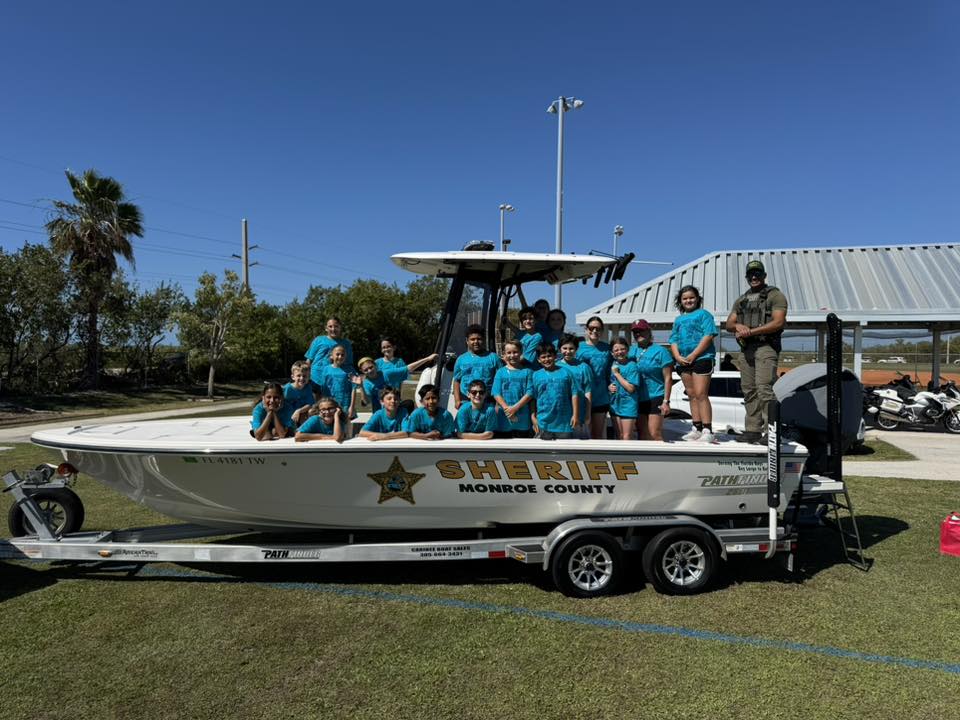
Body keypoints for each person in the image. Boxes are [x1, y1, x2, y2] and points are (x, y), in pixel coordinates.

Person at [725, 259, 788, 443]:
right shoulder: (742, 300)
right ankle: (752, 429)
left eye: (758, 274)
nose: (754, 277)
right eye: (751, 274)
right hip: (746, 350)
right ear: (746, 277)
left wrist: (750, 331)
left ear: (764, 275)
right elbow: (729, 323)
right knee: (749, 390)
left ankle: (772, 431)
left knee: (764, 388)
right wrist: (738, 326)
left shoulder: (774, 295)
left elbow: (778, 322)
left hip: (765, 347)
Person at [669, 286, 718, 443]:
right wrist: (677, 356)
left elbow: (708, 335)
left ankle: (707, 429)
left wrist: (693, 355)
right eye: (685, 298)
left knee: (701, 393)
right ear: (680, 302)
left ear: (697, 299)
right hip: (683, 360)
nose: (688, 300)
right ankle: (696, 428)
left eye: (691, 297)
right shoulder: (678, 320)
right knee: (691, 394)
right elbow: (673, 340)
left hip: (702, 358)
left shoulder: (704, 315)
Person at [630, 320, 674, 441]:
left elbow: (668, 378)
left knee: (654, 433)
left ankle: (660, 459)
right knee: (642, 433)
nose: (638, 334)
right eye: (635, 332)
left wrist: (666, 401)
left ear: (649, 331)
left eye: (641, 330)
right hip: (637, 398)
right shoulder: (630, 350)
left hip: (656, 396)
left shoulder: (661, 351)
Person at [531, 343, 579, 440]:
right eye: (543, 357)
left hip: (564, 422)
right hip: (543, 422)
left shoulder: (566, 372)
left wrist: (575, 415)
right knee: (544, 452)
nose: (547, 359)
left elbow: (574, 394)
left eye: (549, 356)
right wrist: (533, 417)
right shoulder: (535, 375)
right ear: (538, 359)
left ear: (555, 356)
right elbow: (532, 398)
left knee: (564, 452)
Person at [576, 316, 613, 439]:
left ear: (602, 330)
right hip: (582, 396)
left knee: (597, 435)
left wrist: (611, 385)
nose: (595, 331)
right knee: (581, 435)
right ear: (586, 329)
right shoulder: (578, 347)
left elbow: (610, 371)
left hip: (601, 396)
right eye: (591, 328)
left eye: (598, 328)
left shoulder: (607, 349)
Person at [491, 340, 535, 439]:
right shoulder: (500, 372)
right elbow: (496, 393)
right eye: (509, 353)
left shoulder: (528, 372)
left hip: (523, 419)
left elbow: (530, 392)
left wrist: (515, 408)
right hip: (503, 418)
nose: (512, 355)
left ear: (521, 352)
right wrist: (508, 409)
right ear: (504, 354)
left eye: (515, 352)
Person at [452, 324, 502, 409]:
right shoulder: (461, 359)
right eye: (472, 339)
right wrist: (457, 400)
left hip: (488, 401)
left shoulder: (494, 357)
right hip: (466, 401)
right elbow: (457, 381)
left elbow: (500, 381)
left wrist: (498, 403)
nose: (476, 342)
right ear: (467, 341)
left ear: (484, 340)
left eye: (479, 339)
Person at [313, 345, 359, 437]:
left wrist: (352, 406)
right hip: (330, 405)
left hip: (345, 404)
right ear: (331, 356)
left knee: (346, 429)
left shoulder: (350, 370)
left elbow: (353, 388)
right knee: (330, 426)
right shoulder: (326, 369)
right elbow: (323, 388)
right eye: (337, 354)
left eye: (342, 355)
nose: (340, 357)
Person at [557, 334, 594, 438]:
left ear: (576, 349)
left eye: (571, 348)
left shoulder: (583, 367)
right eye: (565, 348)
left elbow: (588, 391)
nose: (568, 351)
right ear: (559, 349)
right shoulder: (555, 366)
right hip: (561, 414)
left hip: (580, 413)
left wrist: (588, 413)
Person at [608, 338, 640, 440]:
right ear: (612, 352)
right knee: (619, 436)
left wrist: (617, 374)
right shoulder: (613, 364)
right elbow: (612, 382)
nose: (619, 352)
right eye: (616, 350)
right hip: (615, 404)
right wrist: (610, 387)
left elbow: (631, 388)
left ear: (627, 350)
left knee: (627, 437)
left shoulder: (632, 366)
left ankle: (629, 457)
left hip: (628, 405)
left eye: (622, 349)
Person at [283, 360, 315, 427]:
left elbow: (310, 404)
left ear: (309, 377)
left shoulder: (308, 387)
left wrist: (299, 411)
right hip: (287, 413)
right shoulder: (287, 388)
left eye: (304, 376)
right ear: (293, 377)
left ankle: (304, 429)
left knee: (312, 411)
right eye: (298, 375)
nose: (302, 378)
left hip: (301, 412)